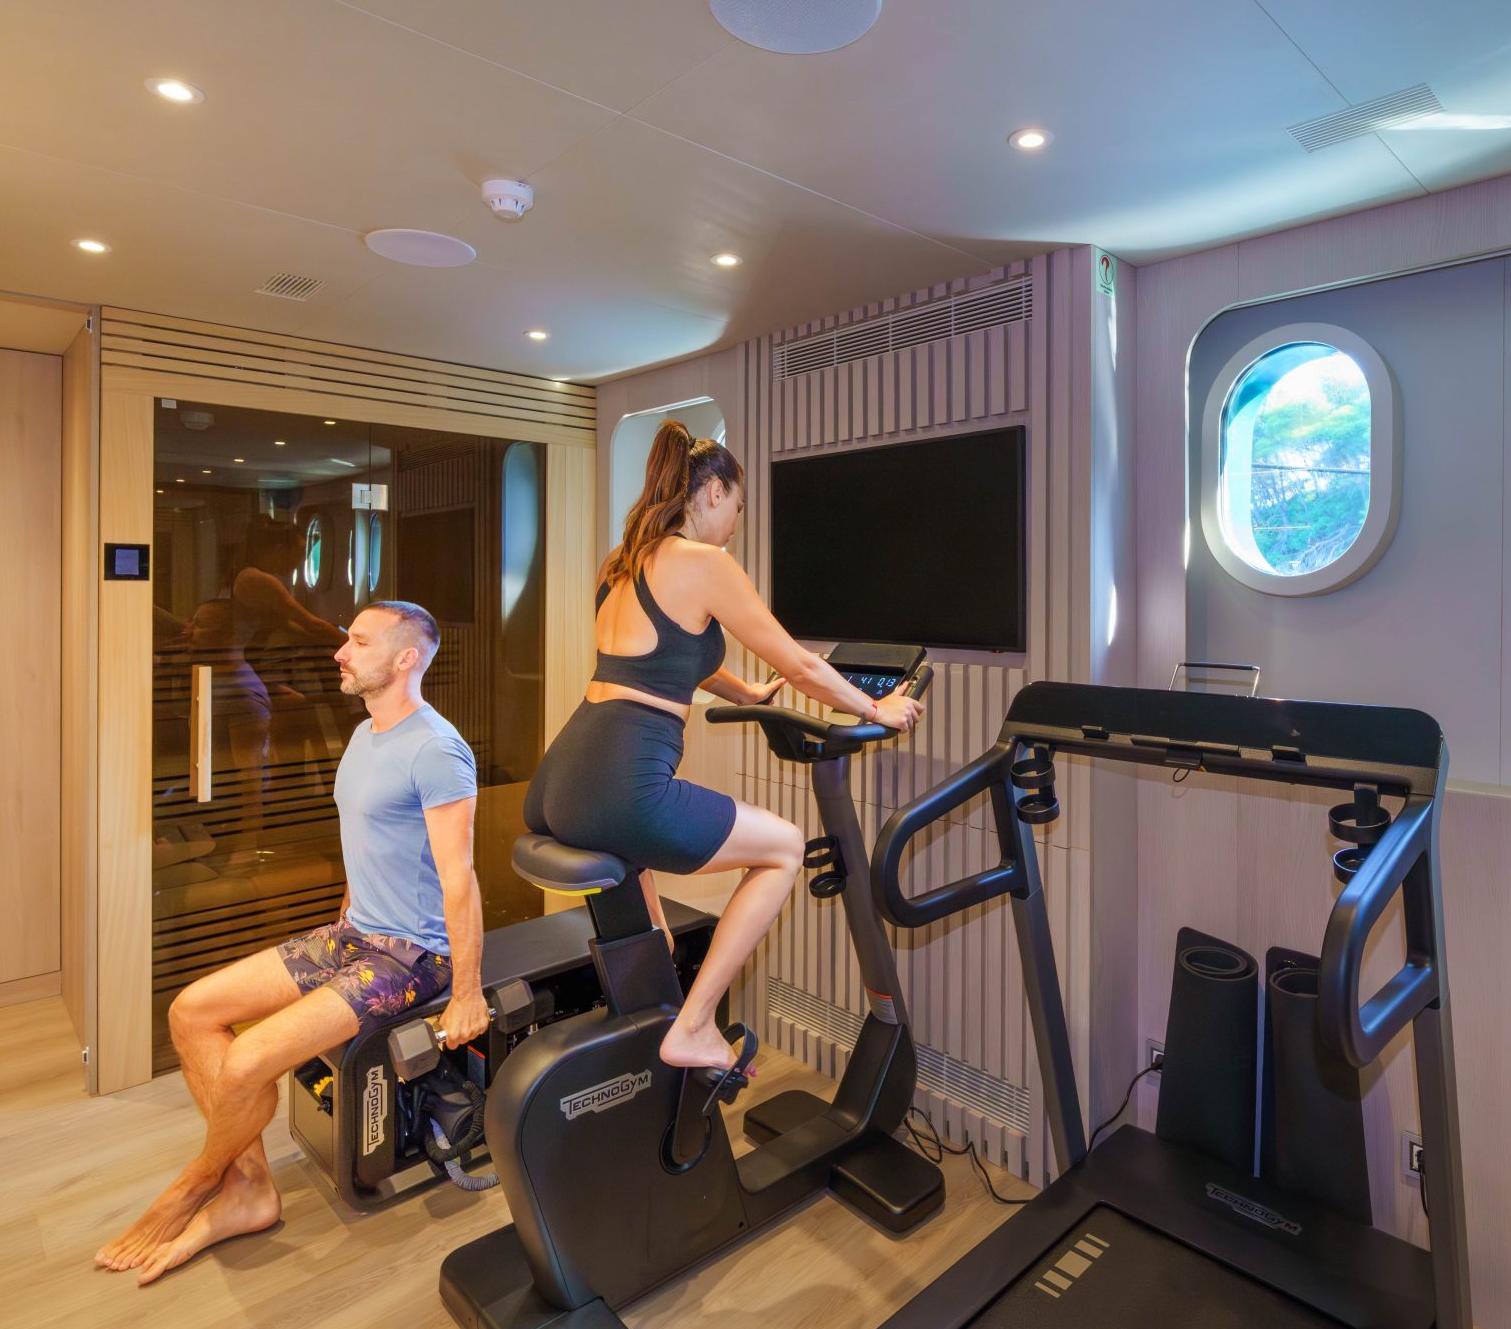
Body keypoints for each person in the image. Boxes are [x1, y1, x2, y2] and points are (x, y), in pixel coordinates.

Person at [97, 599, 490, 1284]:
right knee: (191, 1012)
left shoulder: (436, 749)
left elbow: (460, 878)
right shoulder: (366, 734)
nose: (340, 652)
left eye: (358, 642)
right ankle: (248, 1188)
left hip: (411, 956)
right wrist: (342, 925)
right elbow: (371, 848)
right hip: (354, 933)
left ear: (406, 658)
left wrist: (468, 991)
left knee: (246, 1061)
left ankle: (198, 1182)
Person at [524, 422, 921, 1090]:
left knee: (652, 914)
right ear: (713, 493)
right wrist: (875, 708)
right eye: (737, 506)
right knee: (784, 847)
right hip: (623, 779)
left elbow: (669, 657)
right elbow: (800, 663)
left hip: (562, 777)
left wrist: (748, 692)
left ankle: (653, 1016)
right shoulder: (705, 563)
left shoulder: (622, 561)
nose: (735, 524)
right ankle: (695, 1024)